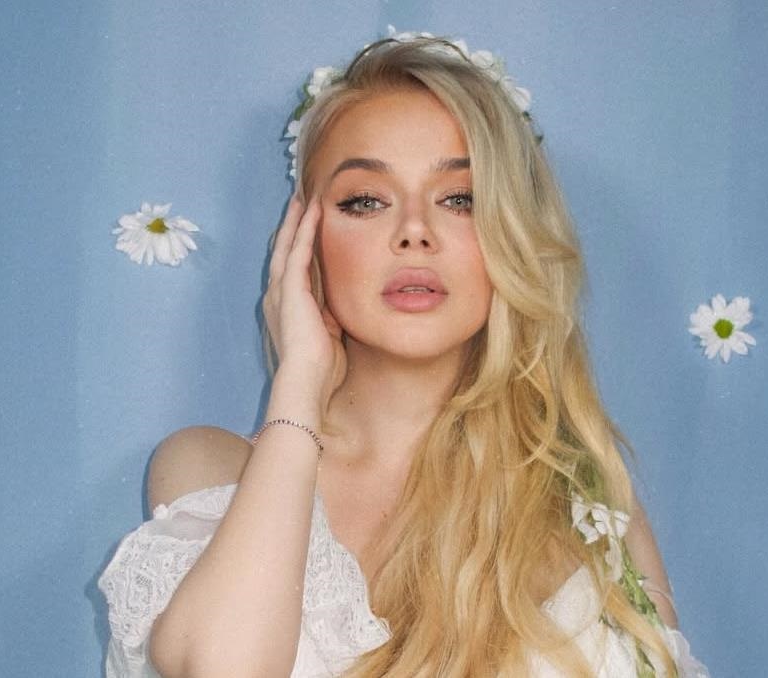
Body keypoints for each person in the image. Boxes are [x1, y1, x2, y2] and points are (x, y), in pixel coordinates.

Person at [98, 31, 710, 678]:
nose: (414, 231)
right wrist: (298, 385)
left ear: (512, 232)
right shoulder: (212, 470)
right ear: (303, 240)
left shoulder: (587, 498)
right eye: (365, 201)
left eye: (460, 199)